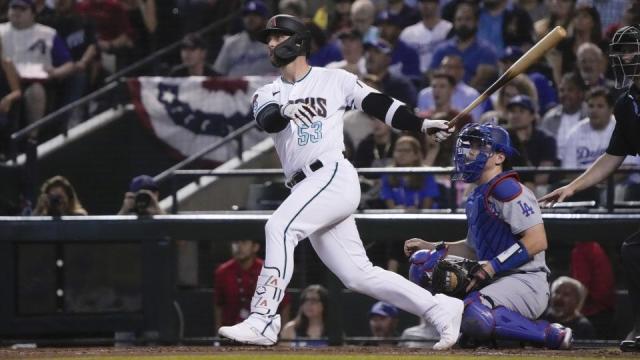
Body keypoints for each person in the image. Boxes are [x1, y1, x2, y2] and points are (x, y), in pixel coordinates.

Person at [217, 14, 463, 350]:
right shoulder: (268, 91)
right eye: (269, 39)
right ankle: (441, 309)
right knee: (358, 275)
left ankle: (262, 319)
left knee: (280, 228)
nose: (271, 44)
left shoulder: (333, 79)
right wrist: (286, 111)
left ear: (297, 41)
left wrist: (422, 125)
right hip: (306, 185)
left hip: (331, 173)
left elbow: (380, 104)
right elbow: (267, 120)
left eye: (277, 37)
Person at [404, 122, 573, 349]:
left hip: (526, 280)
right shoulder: (477, 194)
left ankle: (549, 333)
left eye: (479, 147)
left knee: (472, 312)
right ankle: (484, 332)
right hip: (494, 277)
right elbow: (472, 247)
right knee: (423, 263)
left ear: (499, 157)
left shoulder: (509, 189)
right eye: (469, 146)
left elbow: (537, 241)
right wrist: (433, 246)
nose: (470, 153)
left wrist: (491, 266)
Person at [539, 25, 640, 352]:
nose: (630, 58)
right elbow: (612, 156)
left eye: (635, 51)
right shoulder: (626, 104)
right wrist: (571, 187)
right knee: (633, 251)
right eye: (625, 52)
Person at [0, 0, 74, 137]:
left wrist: (55, 72)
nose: (16, 12)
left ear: (32, 13)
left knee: (36, 92)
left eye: (22, 9)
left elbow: (69, 64)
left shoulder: (47, 34)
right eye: (13, 8)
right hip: (5, 80)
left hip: (35, 81)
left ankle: (32, 137)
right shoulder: (1, 30)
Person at [214, 239, 291, 336]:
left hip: (263, 334)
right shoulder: (223, 271)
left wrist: (283, 336)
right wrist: (218, 335)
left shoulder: (269, 270)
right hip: (230, 333)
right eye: (235, 242)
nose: (239, 247)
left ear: (255, 247)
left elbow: (284, 304)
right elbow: (218, 305)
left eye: (244, 242)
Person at [429, 1, 498, 92]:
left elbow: (481, 79)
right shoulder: (442, 49)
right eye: (459, 19)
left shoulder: (486, 50)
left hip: (475, 97)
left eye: (467, 19)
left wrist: (460, 95)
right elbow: (432, 74)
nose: (463, 23)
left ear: (476, 22)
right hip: (444, 95)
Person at [212, 0, 275, 77]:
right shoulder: (231, 43)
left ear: (265, 19)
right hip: (237, 87)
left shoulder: (277, 43)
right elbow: (219, 73)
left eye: (255, 15)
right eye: (246, 15)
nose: (250, 18)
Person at [380, 135, 440, 209]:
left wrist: (417, 212)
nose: (401, 154)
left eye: (407, 151)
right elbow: (389, 203)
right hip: (397, 217)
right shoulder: (388, 173)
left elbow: (427, 204)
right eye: (398, 150)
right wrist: (397, 211)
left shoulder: (426, 173)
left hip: (422, 217)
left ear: (416, 155)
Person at [399, 0, 452, 75]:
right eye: (422, 2)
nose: (425, 5)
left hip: (444, 75)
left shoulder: (449, 28)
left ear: (437, 4)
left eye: (429, 2)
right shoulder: (408, 33)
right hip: (416, 77)